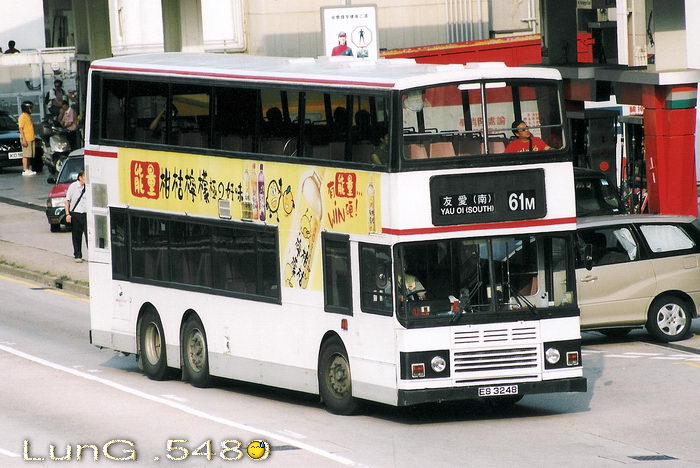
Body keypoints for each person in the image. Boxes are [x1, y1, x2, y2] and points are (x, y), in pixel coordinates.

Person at [65, 170, 88, 263]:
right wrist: (67, 214)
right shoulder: (73, 186)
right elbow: (67, 201)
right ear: (80, 177)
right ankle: (77, 255)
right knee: (76, 235)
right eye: (85, 176)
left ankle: (92, 255)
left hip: (86, 213)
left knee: (89, 235)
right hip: (76, 214)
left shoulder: (89, 186)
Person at [18, 101, 36, 176]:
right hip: (26, 138)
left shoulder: (28, 116)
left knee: (29, 155)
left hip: (31, 138)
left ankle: (28, 169)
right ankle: (25, 169)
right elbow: (21, 129)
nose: (31, 109)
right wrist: (24, 139)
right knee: (26, 155)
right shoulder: (22, 117)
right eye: (30, 108)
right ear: (26, 108)